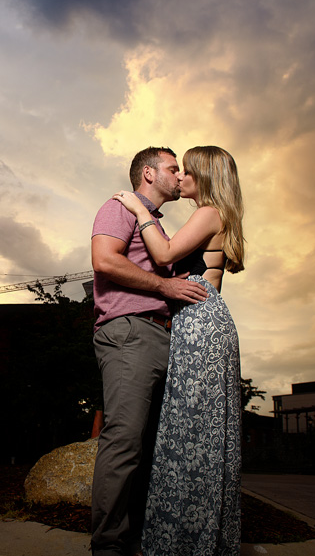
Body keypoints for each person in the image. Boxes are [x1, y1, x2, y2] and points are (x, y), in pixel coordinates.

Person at [113, 146, 245, 556]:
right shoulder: (213, 215)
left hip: (200, 325)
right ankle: (191, 538)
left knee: (192, 435)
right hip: (203, 322)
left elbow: (165, 253)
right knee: (197, 435)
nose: (181, 177)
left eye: (187, 171)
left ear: (203, 176)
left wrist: (139, 211)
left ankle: (185, 542)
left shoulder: (209, 212)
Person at [91, 146, 209, 556]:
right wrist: (164, 286)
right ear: (148, 173)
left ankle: (137, 540)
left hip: (163, 337)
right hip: (129, 333)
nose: (179, 176)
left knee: (152, 447)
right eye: (173, 169)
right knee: (124, 440)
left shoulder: (156, 225)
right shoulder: (118, 207)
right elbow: (105, 261)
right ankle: (108, 547)